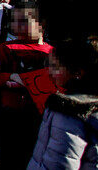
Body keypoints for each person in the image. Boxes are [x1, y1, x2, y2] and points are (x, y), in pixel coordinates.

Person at [0, 2, 53, 165]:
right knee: (9, 156)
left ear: (41, 23)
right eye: (14, 21)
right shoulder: (4, 49)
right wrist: (10, 77)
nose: (17, 26)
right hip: (11, 114)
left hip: (42, 116)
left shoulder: (52, 52)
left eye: (24, 21)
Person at [25, 36, 98, 169]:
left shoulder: (68, 112)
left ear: (77, 73)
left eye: (55, 66)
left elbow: (59, 163)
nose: (49, 72)